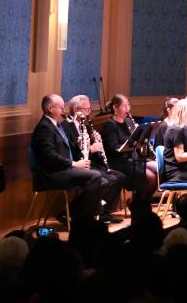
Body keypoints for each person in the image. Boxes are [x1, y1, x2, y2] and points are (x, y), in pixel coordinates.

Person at [30, 93, 111, 221]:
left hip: (62, 170)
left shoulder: (55, 125)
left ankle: (72, 214)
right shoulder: (44, 128)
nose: (64, 111)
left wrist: (80, 145)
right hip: (51, 174)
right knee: (95, 176)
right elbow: (49, 156)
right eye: (61, 107)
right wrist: (74, 164)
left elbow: (66, 148)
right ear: (50, 108)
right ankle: (87, 219)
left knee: (103, 181)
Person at [65, 95, 126, 222]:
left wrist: (97, 143)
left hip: (92, 163)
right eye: (86, 109)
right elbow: (70, 152)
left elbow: (92, 151)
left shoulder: (85, 125)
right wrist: (90, 149)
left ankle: (105, 212)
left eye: (89, 109)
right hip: (78, 165)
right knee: (107, 180)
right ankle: (75, 211)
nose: (89, 113)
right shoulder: (67, 127)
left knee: (120, 176)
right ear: (76, 110)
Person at [100, 93, 158, 202]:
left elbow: (136, 142)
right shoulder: (110, 125)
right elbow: (113, 148)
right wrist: (128, 145)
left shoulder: (128, 122)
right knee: (150, 176)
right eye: (125, 106)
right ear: (115, 108)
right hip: (119, 162)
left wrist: (140, 135)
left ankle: (142, 202)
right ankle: (139, 203)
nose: (128, 109)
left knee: (158, 169)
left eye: (128, 105)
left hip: (132, 159)